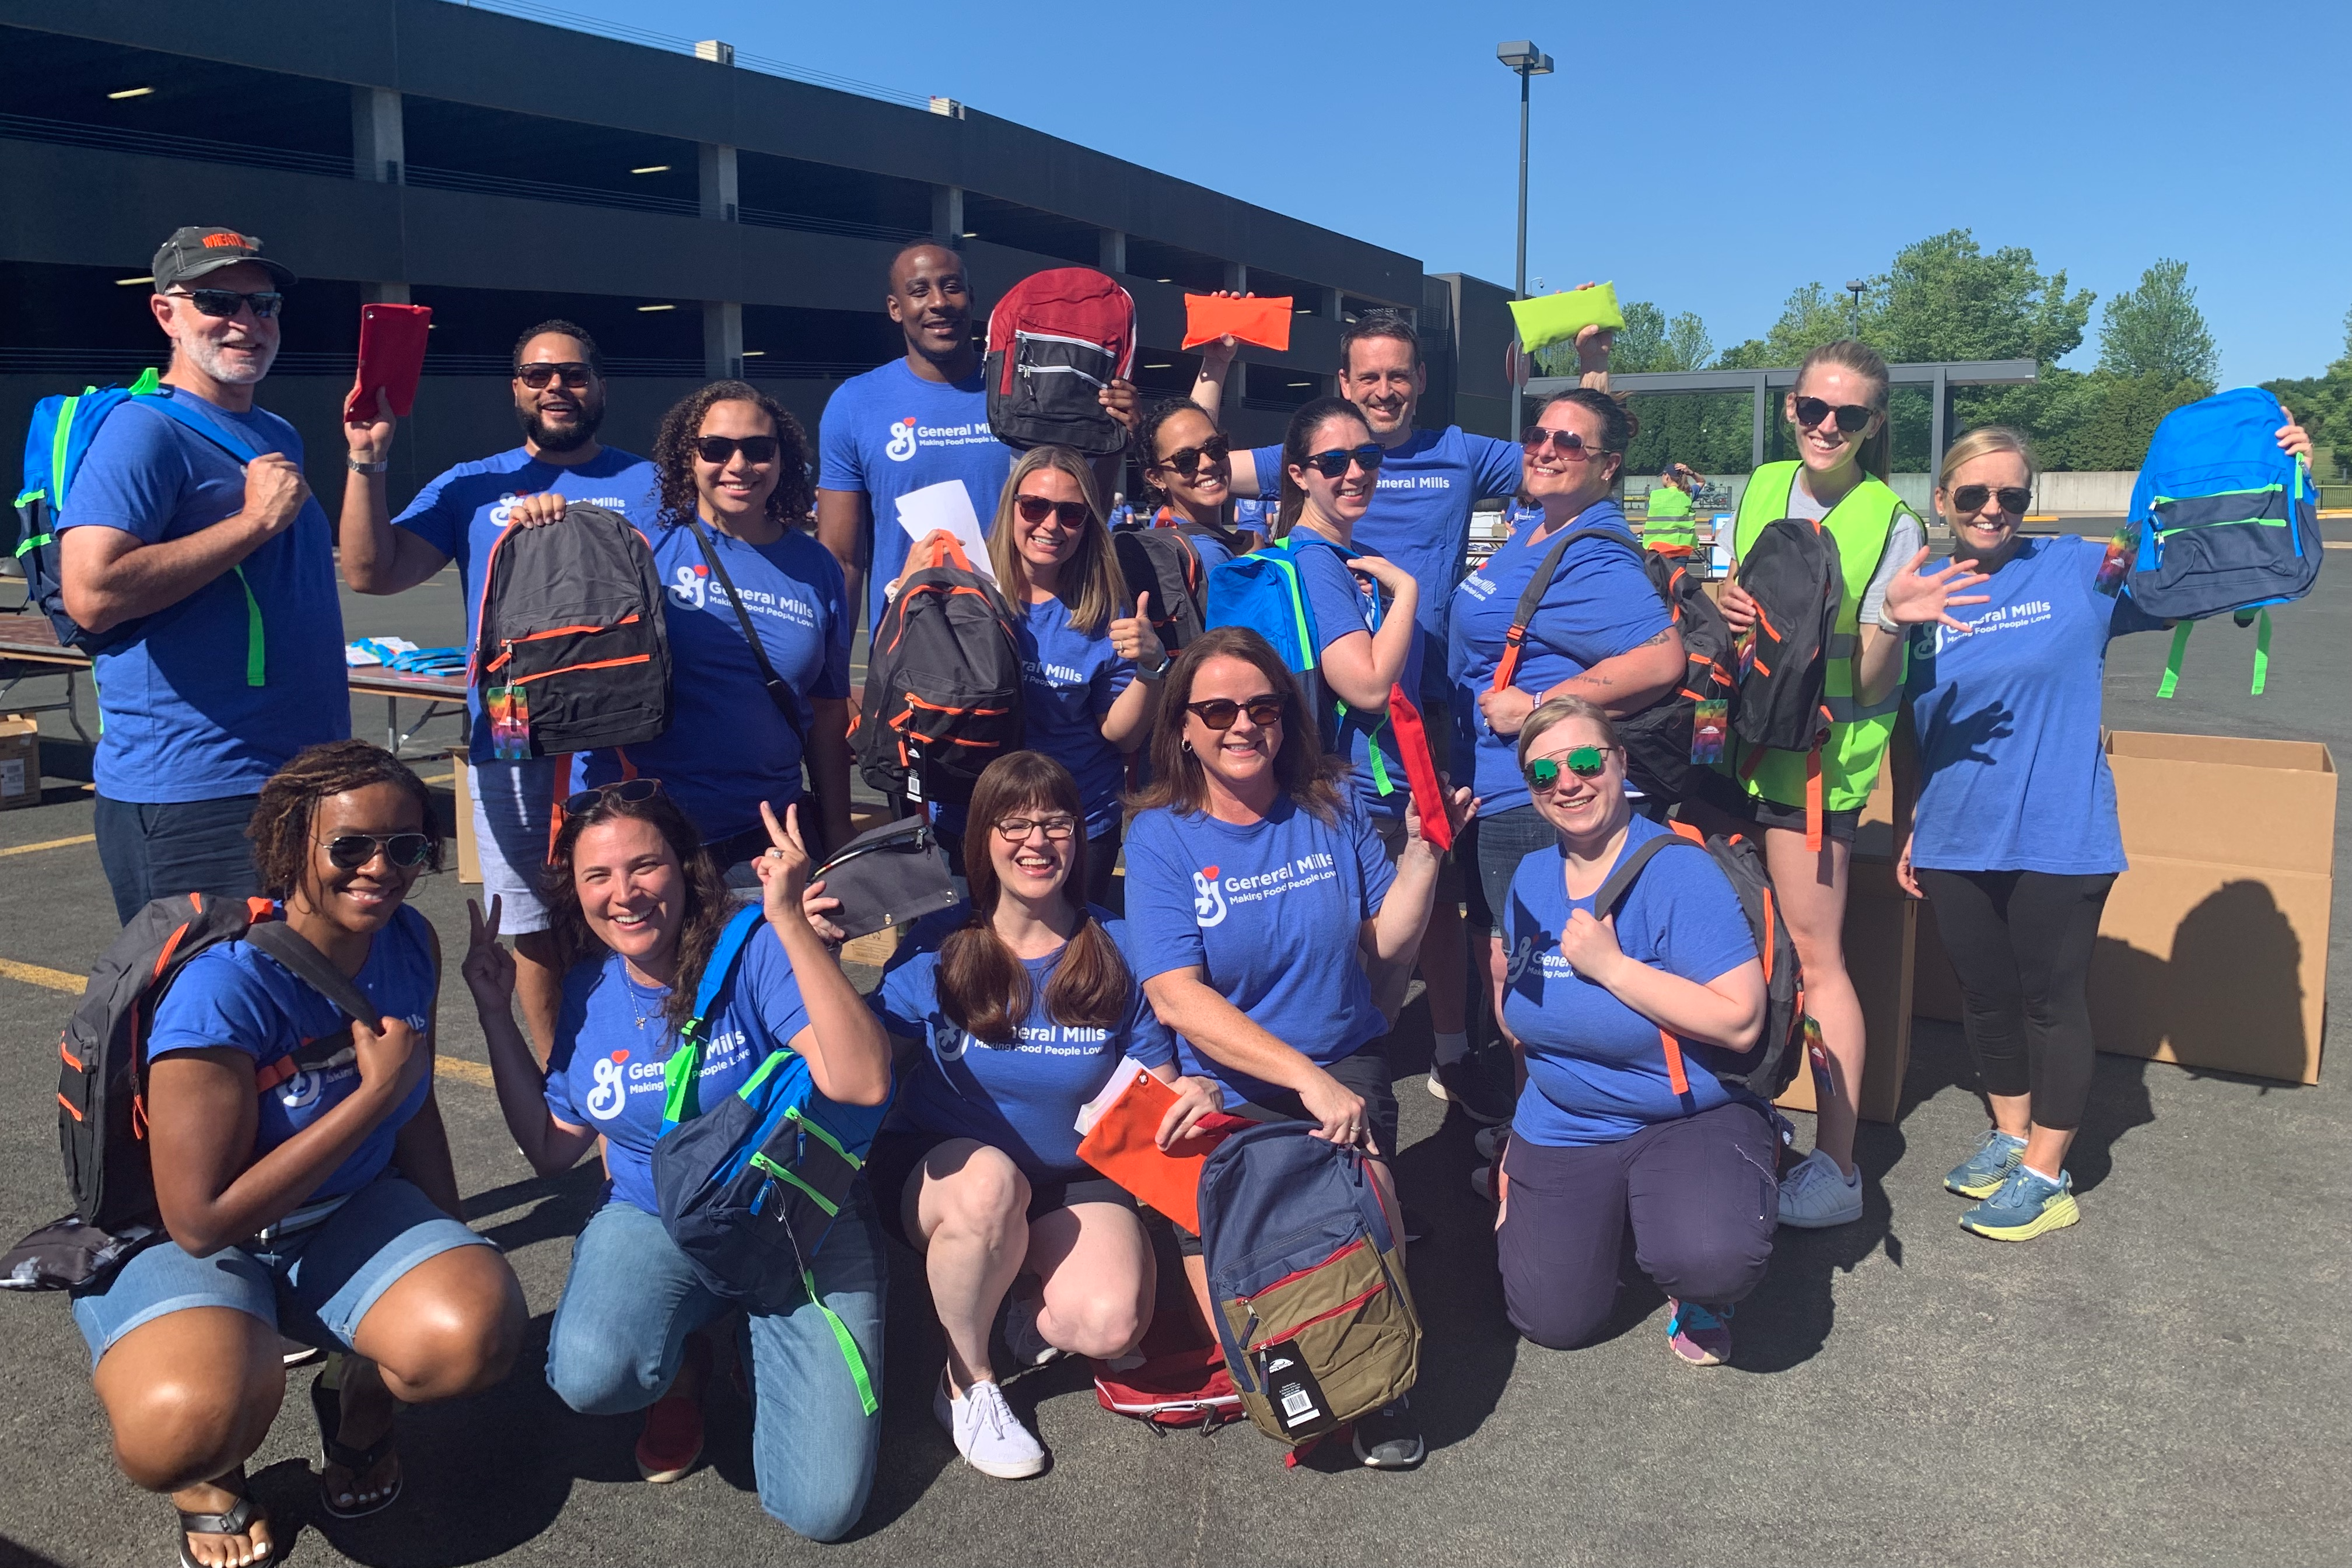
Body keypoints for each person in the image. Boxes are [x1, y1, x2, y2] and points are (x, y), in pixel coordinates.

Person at [69, 740, 524, 1568]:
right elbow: (200, 1222)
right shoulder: (224, 987)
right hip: (198, 1241)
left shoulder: (409, 940)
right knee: (183, 1425)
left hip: (343, 1212)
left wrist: (451, 1238)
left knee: (475, 1330)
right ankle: (210, 1477)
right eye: (350, 847)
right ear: (290, 847)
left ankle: (357, 1401)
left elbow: (417, 1113)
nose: (380, 869)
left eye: (406, 846)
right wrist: (373, 1096)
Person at [1892, 417, 2315, 1240]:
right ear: (1942, 500)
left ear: (2029, 501)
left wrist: (2284, 478)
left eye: (2011, 495)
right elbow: (1912, 724)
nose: (1992, 509)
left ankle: (2048, 1172)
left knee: (2050, 1001)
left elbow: (2211, 566)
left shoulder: (2082, 567)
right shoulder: (1920, 592)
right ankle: (2011, 1133)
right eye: (1973, 494)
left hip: (2060, 829)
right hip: (1954, 831)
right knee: (1986, 995)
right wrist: (1913, 819)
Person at [1195, 309, 1613, 1100]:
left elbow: (1573, 456)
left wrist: (1592, 367)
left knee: (1432, 894)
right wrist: (1213, 373)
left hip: (1431, 714)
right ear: (1343, 386)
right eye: (1368, 377)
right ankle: (1344, 1077)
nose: (1383, 392)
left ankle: (1444, 1052)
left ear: (1419, 381)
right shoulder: (1321, 478)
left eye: (1398, 375)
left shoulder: (1459, 452)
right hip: (1355, 727)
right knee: (1358, 908)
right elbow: (1201, 467)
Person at [467, 781, 891, 1540]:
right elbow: (552, 1147)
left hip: (792, 1217)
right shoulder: (587, 989)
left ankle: (750, 1327)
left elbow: (861, 1082)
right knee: (591, 1374)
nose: (624, 893)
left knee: (821, 1510)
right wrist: (496, 1015)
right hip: (659, 1215)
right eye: (598, 876)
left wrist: (792, 926)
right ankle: (688, 1354)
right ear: (577, 891)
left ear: (684, 868)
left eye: (644, 866)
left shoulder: (754, 948)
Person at [1122, 625, 1471, 1470]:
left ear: (1286, 716)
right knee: (1257, 1301)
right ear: (1184, 728)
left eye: (1263, 707)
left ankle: (1382, 1382)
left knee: (1361, 1216)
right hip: (1225, 1080)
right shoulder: (1161, 834)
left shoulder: (1332, 802)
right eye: (1217, 711)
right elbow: (1175, 995)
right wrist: (1301, 1080)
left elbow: (1385, 944)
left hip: (1341, 1058)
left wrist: (1425, 856)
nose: (1243, 724)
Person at [869, 751, 1224, 1479]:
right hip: (949, 1175)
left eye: (1056, 823)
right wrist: (812, 949)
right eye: (1015, 824)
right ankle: (966, 1381)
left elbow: (1156, 1083)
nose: (1037, 841)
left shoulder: (1118, 943)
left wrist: (1198, 1095)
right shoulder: (939, 945)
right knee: (992, 1184)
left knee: (1112, 1323)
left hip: (1071, 1173)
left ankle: (1014, 1298)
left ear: (1079, 836)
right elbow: (862, 1061)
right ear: (983, 838)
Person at [340, 319, 662, 1059]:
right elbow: (370, 572)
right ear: (515, 388)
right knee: (535, 925)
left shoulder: (651, 484)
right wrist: (366, 460)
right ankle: (562, 1079)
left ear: (601, 386)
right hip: (511, 735)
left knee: (639, 906)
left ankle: (648, 1065)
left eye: (573, 374)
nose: (557, 388)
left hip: (629, 736)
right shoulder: (470, 485)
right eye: (537, 375)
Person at [1686, 338, 1931, 1231]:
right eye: (1813, 408)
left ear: (1874, 424)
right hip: (1731, 745)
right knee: (1723, 936)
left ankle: (1838, 1166)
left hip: (1816, 768)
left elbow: (1869, 680)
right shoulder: (1761, 485)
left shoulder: (1891, 521)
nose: (1827, 426)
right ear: (1791, 407)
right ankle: (1724, 1111)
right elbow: (1727, 597)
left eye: (1848, 414)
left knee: (1818, 959)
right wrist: (1727, 602)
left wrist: (1893, 623)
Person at [58, 226, 349, 925]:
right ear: (166, 313)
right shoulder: (144, 431)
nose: (246, 322)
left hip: (296, 778)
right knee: (210, 990)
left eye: (264, 305)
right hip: (200, 795)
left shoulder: (276, 431)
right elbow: (93, 593)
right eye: (218, 302)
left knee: (294, 989)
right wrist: (253, 522)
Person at [1488, 698, 1770, 1367]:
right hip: (1565, 1122)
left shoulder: (1678, 871)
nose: (1568, 783)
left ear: (1619, 762)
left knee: (1710, 1259)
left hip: (1683, 1116)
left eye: (1586, 761)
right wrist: (1517, 1150)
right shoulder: (1530, 877)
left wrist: (1613, 968)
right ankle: (1611, 1214)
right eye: (1544, 773)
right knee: (1551, 1318)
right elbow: (1525, 1026)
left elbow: (1740, 1020)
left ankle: (1694, 1270)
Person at [1444, 388, 1687, 1119]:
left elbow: (1661, 659)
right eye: (1538, 434)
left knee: (1528, 976)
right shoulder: (1537, 527)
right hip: (1493, 788)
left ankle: (1547, 1133)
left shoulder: (1592, 552)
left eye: (1571, 443)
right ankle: (1536, 1126)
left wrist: (1540, 708)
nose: (1547, 449)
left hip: (1534, 797)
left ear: (1608, 467)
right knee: (1505, 959)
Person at [568, 381, 854, 864]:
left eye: (758, 450)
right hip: (646, 832)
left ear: (782, 459)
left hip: (768, 833)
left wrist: (837, 826)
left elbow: (826, 712)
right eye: (716, 449)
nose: (738, 465)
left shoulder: (816, 567)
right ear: (689, 457)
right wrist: (542, 522)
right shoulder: (640, 544)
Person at [814, 243, 1139, 645]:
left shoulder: (1029, 392)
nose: (939, 302)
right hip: (912, 646)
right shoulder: (854, 403)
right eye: (920, 291)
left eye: (951, 287)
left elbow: (1083, 517)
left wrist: (1113, 442)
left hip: (1027, 642)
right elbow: (842, 560)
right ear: (895, 308)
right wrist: (835, 668)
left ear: (971, 298)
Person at [933, 446, 1162, 899]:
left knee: (1067, 945)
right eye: (1035, 506)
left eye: (1071, 513)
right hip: (973, 818)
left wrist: (1152, 667)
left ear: (1089, 524)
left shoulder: (1104, 608)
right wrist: (913, 586)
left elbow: (1122, 736)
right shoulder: (966, 587)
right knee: (967, 942)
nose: (1051, 525)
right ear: (1011, 507)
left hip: (1070, 824)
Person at [1261, 398, 1422, 836]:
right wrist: (1407, 592)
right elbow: (1369, 688)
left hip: (1381, 796)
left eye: (1367, 456)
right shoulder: (1316, 561)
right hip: (1359, 808)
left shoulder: (1348, 559)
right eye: (1333, 462)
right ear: (1299, 475)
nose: (1355, 473)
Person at [1134, 397, 1261, 568]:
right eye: (1185, 459)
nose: (1208, 463)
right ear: (1157, 478)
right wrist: (1254, 564)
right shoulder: (1207, 554)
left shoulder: (1163, 522)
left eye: (1215, 447)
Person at [1643, 463, 1704, 555]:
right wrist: (1691, 473)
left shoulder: (1655, 495)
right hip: (1681, 548)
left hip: (1656, 548)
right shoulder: (1688, 494)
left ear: (1667, 476)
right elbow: (1701, 482)